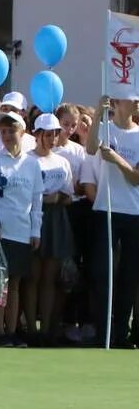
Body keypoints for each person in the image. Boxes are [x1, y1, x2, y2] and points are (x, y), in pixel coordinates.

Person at [0, 111, 44, 347]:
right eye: (3, 131)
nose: (7, 135)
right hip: (1, 230)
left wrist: (35, 231)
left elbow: (37, 201)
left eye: (12, 131)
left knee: (16, 284)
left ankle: (11, 330)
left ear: (22, 132)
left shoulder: (32, 164)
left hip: (22, 230)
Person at [83, 92, 139, 347]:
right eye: (131, 98)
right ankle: (103, 330)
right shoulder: (105, 128)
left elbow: (136, 177)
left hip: (133, 211)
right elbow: (92, 148)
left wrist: (115, 157)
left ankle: (121, 333)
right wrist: (97, 112)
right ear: (117, 103)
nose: (136, 102)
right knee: (102, 272)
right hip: (106, 210)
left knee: (129, 274)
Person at [30, 113, 75, 345]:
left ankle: (47, 329)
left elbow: (69, 195)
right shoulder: (29, 160)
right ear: (37, 135)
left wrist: (57, 198)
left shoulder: (63, 162)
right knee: (33, 277)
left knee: (49, 278)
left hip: (57, 220)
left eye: (55, 133)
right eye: (48, 134)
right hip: (35, 218)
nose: (52, 138)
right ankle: (30, 329)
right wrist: (41, 200)